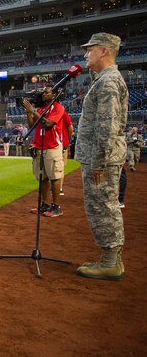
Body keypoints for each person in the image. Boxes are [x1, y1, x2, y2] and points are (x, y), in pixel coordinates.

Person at [75, 32, 128, 281]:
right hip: (103, 156)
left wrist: (98, 161)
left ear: (104, 51)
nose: (86, 54)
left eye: (90, 49)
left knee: (104, 207)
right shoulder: (104, 79)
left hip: (102, 159)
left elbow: (106, 126)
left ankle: (110, 263)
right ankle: (110, 259)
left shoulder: (108, 82)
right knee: (102, 205)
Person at [22, 86, 64, 217]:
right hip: (39, 146)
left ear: (54, 94)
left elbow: (48, 123)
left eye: (47, 92)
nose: (44, 94)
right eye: (43, 93)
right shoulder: (41, 109)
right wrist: (29, 112)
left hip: (52, 146)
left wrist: (32, 111)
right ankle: (45, 205)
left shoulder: (57, 107)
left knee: (54, 177)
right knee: (42, 178)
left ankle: (56, 206)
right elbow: (31, 125)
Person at [58, 109, 74, 195]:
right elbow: (70, 128)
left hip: (62, 143)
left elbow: (70, 128)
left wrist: (66, 138)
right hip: (56, 143)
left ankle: (59, 187)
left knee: (60, 167)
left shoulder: (62, 113)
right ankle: (57, 188)